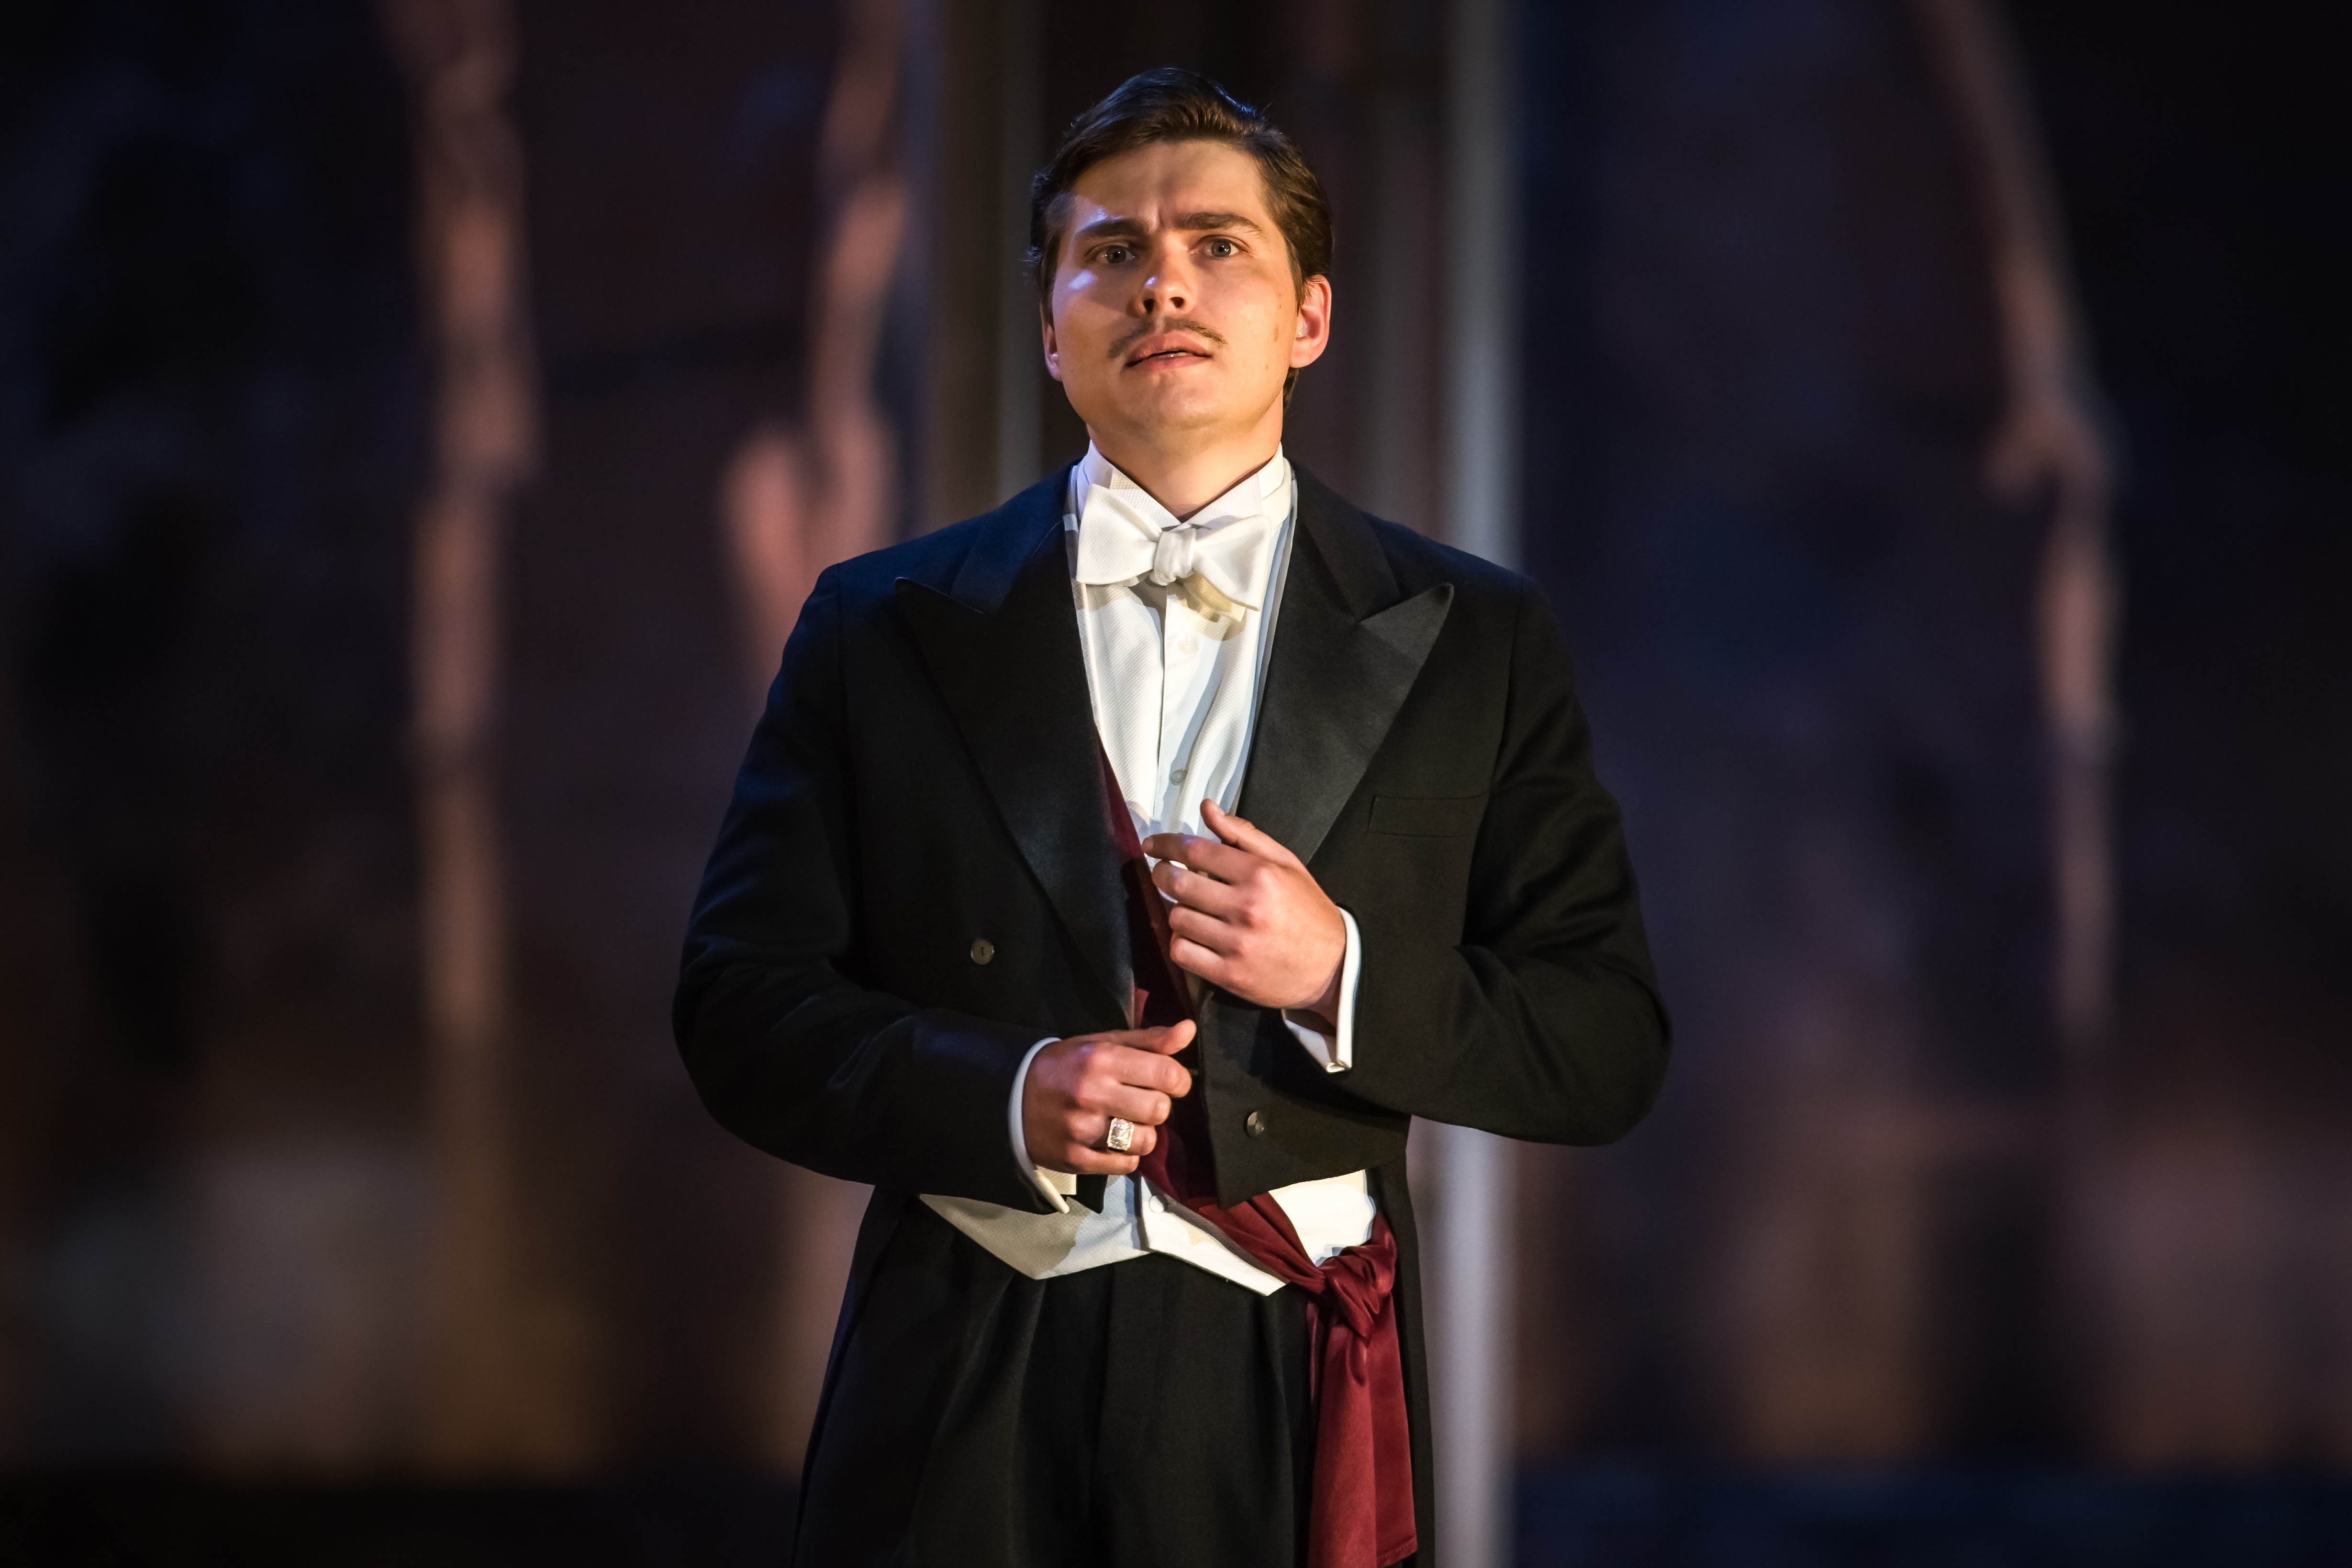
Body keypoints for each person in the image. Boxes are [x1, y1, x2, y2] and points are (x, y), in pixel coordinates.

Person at [675, 66, 1668, 1568]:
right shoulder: (877, 626)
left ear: (1308, 318)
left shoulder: (1476, 637)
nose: (1163, 286)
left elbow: (1602, 1045)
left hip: (1284, 1372)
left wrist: (1340, 973)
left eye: (1217, 246)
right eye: (1112, 251)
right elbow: (740, 1007)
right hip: (960, 1358)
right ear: (1048, 323)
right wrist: (1005, 1092)